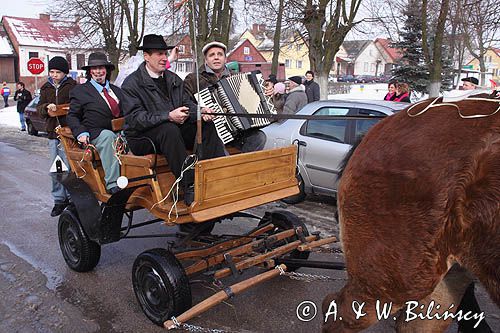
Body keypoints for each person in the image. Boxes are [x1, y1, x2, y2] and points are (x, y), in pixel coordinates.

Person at [121, 34, 225, 205]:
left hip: (172, 129)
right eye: (159, 54)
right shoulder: (132, 84)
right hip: (141, 137)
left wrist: (200, 111)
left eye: (164, 53)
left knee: (205, 125)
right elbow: (135, 119)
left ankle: (216, 175)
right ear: (146, 57)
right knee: (169, 129)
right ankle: (189, 184)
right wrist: (168, 116)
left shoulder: (173, 79)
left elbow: (186, 104)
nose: (163, 58)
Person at [184, 41, 267, 153]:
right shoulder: (194, 79)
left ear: (225, 59)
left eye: (220, 54)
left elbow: (255, 100)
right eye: (212, 55)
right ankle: (230, 169)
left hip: (237, 131)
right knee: (217, 143)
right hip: (209, 131)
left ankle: (242, 168)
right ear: (206, 60)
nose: (216, 58)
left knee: (259, 137)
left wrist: (268, 93)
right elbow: (185, 103)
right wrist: (200, 111)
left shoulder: (236, 77)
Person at [67, 53, 125, 195]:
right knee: (108, 137)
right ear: (90, 71)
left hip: (121, 130)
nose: (98, 71)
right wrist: (80, 132)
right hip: (96, 133)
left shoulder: (117, 91)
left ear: (107, 70)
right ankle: (113, 183)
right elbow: (72, 116)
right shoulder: (80, 91)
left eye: (101, 68)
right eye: (95, 68)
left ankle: (136, 179)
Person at [37, 56, 77, 217]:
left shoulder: (72, 86)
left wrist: (62, 109)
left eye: (58, 72)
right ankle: (59, 200)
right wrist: (47, 108)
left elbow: (76, 107)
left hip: (69, 134)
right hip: (54, 134)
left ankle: (73, 198)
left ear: (65, 73)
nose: (54, 75)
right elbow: (40, 109)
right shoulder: (46, 88)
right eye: (52, 71)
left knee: (71, 167)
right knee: (57, 168)